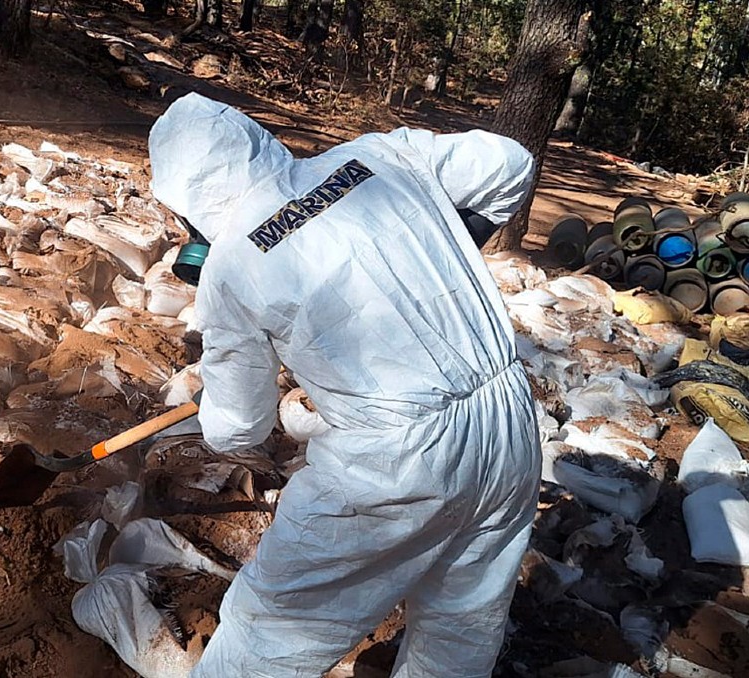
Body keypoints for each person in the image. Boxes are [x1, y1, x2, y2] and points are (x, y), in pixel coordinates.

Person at [148, 92, 542, 678]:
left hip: (396, 462)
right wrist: (437, 248)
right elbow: (511, 162)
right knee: (461, 624)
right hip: (509, 423)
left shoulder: (232, 265)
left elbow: (238, 431)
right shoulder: (379, 156)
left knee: (272, 629)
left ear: (186, 200)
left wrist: (224, 393)